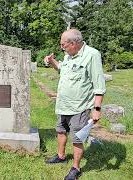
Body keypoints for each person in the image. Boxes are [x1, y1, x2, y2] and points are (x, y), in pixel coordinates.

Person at [44, 29, 106, 180]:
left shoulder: (92, 55)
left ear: (73, 43)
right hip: (63, 104)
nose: (62, 48)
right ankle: (61, 156)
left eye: (63, 45)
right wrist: (52, 61)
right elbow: (61, 69)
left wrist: (96, 109)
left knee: (77, 137)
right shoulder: (68, 55)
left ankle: (76, 168)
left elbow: (99, 85)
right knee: (60, 131)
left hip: (79, 107)